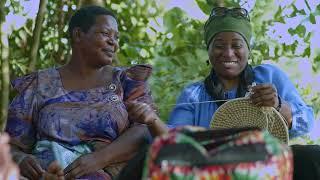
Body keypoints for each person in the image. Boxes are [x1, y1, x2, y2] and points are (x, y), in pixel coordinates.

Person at [121, 7, 320, 180]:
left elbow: (307, 124)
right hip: (212, 169)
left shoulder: (269, 75)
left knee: (311, 157)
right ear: (208, 51)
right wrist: (152, 119)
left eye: (236, 45)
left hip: (269, 165)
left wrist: (278, 104)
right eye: (218, 45)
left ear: (248, 50)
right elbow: (174, 141)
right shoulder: (193, 94)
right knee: (145, 158)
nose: (228, 53)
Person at [5, 5, 155, 180]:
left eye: (116, 37)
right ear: (78, 35)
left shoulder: (127, 81)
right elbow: (11, 146)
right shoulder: (38, 84)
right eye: (106, 34)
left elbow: (145, 130)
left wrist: (98, 159)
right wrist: (21, 159)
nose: (113, 42)